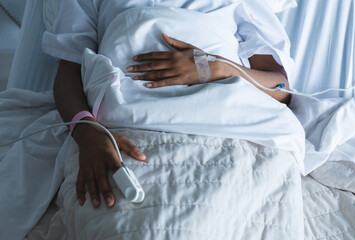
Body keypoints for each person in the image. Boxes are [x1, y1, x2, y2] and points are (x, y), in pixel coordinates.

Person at [43, 0, 292, 209]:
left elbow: (280, 88)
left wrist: (215, 67)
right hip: (120, 127)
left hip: (225, 118)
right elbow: (68, 72)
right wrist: (85, 132)